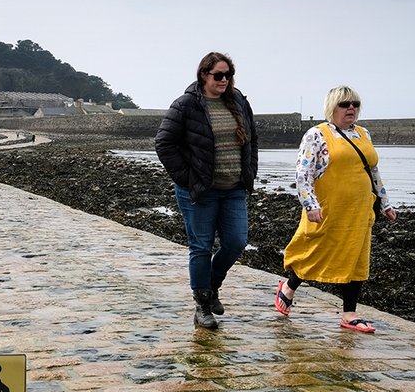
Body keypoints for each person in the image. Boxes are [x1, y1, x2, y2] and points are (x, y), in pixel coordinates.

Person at [274, 86, 397, 333]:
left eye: (355, 104)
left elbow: (373, 172)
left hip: (360, 210)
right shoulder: (317, 134)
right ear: (332, 107)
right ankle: (288, 286)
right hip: (328, 209)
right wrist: (310, 205)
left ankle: (350, 314)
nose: (351, 108)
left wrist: (385, 203)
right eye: (344, 104)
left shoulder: (363, 134)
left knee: (356, 257)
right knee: (315, 252)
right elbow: (303, 173)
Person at [155, 52, 259, 329]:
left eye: (228, 75)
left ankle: (211, 287)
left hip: (234, 188)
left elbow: (252, 140)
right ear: (204, 75)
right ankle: (202, 305)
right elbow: (164, 143)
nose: (224, 80)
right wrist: (188, 179)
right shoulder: (186, 104)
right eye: (218, 75)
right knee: (201, 246)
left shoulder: (239, 101)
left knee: (236, 242)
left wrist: (250, 172)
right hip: (200, 192)